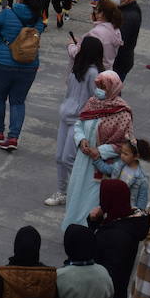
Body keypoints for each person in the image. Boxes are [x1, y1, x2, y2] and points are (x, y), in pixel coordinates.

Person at [62, 71, 134, 231]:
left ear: (113, 88)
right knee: (76, 193)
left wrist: (100, 151)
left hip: (101, 165)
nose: (99, 90)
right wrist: (81, 140)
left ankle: (87, 230)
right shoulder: (92, 102)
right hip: (83, 159)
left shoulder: (122, 112)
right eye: (98, 86)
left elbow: (124, 143)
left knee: (92, 198)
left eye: (103, 87)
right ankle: (72, 229)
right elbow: (79, 124)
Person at [88, 179, 148, 298]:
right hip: (117, 290)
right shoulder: (124, 221)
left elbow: (94, 252)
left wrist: (93, 226)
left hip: (108, 291)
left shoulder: (117, 234)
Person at [0, 0, 47, 151]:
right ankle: (13, 137)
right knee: (18, 101)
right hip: (29, 65)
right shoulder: (38, 18)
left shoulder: (7, 13)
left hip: (2, 63)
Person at [46, 35, 100, 208]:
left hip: (79, 120)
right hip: (66, 116)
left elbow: (96, 99)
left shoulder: (93, 73)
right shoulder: (78, 68)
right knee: (59, 157)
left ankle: (79, 192)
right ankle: (62, 192)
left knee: (69, 157)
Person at [111, 0, 141, 80]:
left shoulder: (129, 16)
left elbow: (118, 39)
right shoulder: (126, 9)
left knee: (111, 90)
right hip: (121, 60)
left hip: (119, 62)